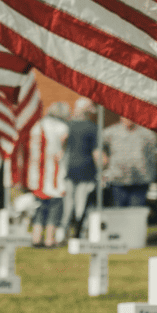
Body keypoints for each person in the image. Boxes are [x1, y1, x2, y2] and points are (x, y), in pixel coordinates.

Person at [27, 101, 69, 247]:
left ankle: (36, 238)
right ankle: (49, 239)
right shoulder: (61, 127)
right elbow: (63, 146)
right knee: (54, 209)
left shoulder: (37, 126)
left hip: (37, 175)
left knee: (39, 209)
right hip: (54, 175)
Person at [60, 97, 98, 239]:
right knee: (80, 203)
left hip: (69, 169)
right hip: (86, 170)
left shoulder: (68, 126)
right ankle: (78, 232)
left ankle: (63, 233)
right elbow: (96, 154)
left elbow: (62, 143)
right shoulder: (93, 128)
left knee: (68, 202)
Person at [102, 117, 157, 207]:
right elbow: (97, 145)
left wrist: (152, 175)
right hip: (118, 178)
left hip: (140, 180)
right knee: (119, 212)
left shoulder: (146, 134)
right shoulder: (111, 132)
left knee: (136, 212)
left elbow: (152, 155)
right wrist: (103, 158)